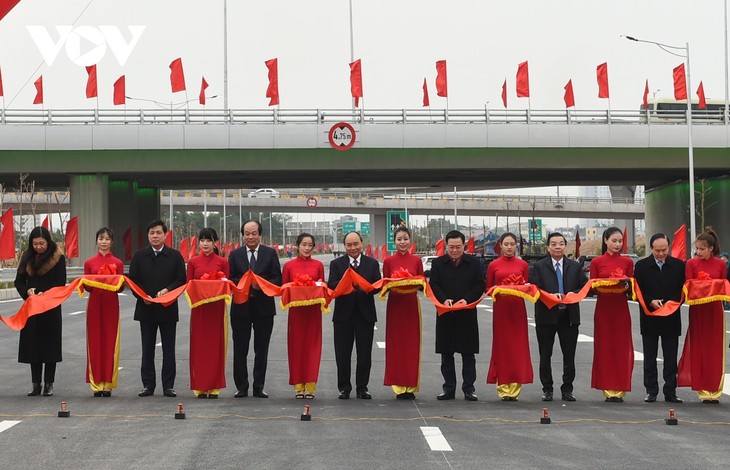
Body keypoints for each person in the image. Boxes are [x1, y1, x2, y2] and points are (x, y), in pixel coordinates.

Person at [128, 219, 186, 398]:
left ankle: (168, 385)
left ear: (165, 235)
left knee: (169, 349)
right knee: (147, 349)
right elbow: (133, 281)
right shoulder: (139, 256)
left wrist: (167, 290)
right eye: (152, 233)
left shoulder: (175, 256)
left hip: (168, 308)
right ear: (148, 235)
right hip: (146, 309)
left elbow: (181, 280)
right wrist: (143, 296)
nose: (155, 236)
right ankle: (148, 385)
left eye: (158, 233)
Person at [529, 232, 586, 402]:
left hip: (568, 316)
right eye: (553, 244)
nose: (557, 247)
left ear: (565, 246)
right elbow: (534, 289)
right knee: (545, 354)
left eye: (561, 244)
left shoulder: (574, 267)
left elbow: (584, 287)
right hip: (546, 316)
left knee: (569, 355)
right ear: (548, 247)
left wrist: (572, 293)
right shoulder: (539, 266)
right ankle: (547, 389)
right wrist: (550, 295)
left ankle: (567, 389)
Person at [429, 230, 485, 401]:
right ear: (446, 246)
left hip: (466, 313)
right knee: (446, 353)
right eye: (451, 247)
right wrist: (444, 300)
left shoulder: (474, 263)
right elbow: (434, 284)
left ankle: (469, 388)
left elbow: (479, 285)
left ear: (464, 246)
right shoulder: (438, 263)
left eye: (458, 247)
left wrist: (465, 300)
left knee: (468, 353)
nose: (454, 250)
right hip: (445, 313)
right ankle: (449, 388)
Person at [229, 220, 282, 398]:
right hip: (240, 308)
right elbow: (230, 280)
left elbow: (277, 280)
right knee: (240, 349)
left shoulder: (270, 253)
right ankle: (241, 387)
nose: (250, 237)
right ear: (242, 235)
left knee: (262, 349)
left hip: (264, 309)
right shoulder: (235, 255)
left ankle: (259, 386)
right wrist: (245, 283)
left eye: (254, 233)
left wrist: (261, 284)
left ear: (260, 235)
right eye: (247, 233)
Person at [328, 231, 381, 399]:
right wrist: (349, 283)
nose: (353, 248)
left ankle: (362, 388)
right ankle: (344, 387)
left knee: (364, 354)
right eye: (349, 245)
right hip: (343, 316)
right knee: (342, 354)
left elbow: (377, 285)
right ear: (345, 247)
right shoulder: (337, 264)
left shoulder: (372, 264)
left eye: (355, 244)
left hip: (365, 316)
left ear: (361, 244)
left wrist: (363, 286)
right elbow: (332, 285)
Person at [633, 233, 685, 404]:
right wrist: (650, 301)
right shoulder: (641, 266)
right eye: (657, 251)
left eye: (664, 250)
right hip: (650, 316)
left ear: (668, 247)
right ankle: (651, 390)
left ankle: (670, 391)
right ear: (651, 248)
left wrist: (672, 301)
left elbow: (682, 289)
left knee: (670, 357)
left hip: (671, 316)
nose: (661, 254)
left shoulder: (678, 266)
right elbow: (637, 290)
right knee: (650, 356)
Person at [14, 226, 66, 397]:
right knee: (33, 346)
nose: (38, 247)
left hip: (50, 307)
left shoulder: (57, 257)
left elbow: (60, 282)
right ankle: (36, 384)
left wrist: (47, 293)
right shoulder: (27, 257)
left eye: (41, 243)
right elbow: (19, 281)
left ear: (48, 242)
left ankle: (49, 384)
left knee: (50, 346)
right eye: (35, 244)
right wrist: (27, 292)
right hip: (32, 308)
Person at [677, 229, 727, 403]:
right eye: (696, 249)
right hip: (698, 310)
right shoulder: (691, 264)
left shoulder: (720, 264)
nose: (698, 252)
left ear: (711, 248)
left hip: (714, 310)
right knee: (699, 347)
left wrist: (708, 285)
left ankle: (714, 389)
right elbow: (689, 285)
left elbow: (722, 285)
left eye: (701, 249)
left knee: (715, 349)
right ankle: (703, 389)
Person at [590, 227, 635, 402]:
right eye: (614, 241)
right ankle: (608, 389)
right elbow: (592, 287)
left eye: (620, 241)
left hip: (621, 308)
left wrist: (624, 284)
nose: (617, 244)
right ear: (605, 240)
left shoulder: (627, 263)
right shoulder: (597, 262)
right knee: (605, 347)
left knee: (621, 348)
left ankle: (620, 388)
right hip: (603, 309)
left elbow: (631, 286)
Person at [485, 232, 533, 401]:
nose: (510, 247)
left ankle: (516, 386)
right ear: (501, 245)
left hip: (518, 310)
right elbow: (488, 289)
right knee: (502, 347)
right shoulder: (493, 265)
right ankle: (503, 387)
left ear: (516, 245)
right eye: (506, 244)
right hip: (501, 310)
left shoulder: (523, 265)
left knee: (518, 347)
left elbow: (525, 286)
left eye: (512, 244)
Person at [186, 228, 230, 399]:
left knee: (215, 346)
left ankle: (214, 386)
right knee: (199, 346)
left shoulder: (223, 262)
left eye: (209, 240)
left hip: (217, 309)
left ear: (215, 243)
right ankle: (200, 387)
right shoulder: (193, 262)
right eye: (202, 240)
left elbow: (227, 285)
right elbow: (188, 285)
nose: (205, 244)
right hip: (199, 309)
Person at [382, 226, 424, 400]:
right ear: (394, 241)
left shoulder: (416, 260)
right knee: (396, 344)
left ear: (410, 241)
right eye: (399, 239)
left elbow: (422, 283)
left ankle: (411, 385)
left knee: (412, 344)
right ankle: (399, 386)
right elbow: (384, 283)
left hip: (411, 304)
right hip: (395, 305)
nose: (402, 242)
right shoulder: (388, 261)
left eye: (405, 239)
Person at [282, 233, 325, 399]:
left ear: (313, 247)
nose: (307, 248)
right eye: (304, 245)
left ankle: (311, 386)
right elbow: (283, 287)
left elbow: (322, 286)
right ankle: (298, 386)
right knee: (296, 347)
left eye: (310, 245)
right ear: (297, 246)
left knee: (313, 348)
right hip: (296, 313)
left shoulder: (318, 265)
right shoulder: (289, 266)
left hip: (314, 312)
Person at [83, 227, 125, 397]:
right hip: (94, 305)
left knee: (110, 342)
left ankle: (108, 383)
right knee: (95, 342)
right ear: (96, 241)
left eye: (107, 239)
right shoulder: (89, 263)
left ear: (112, 242)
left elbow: (121, 286)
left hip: (111, 306)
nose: (104, 242)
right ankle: (96, 383)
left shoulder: (118, 263)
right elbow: (86, 286)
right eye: (101, 238)